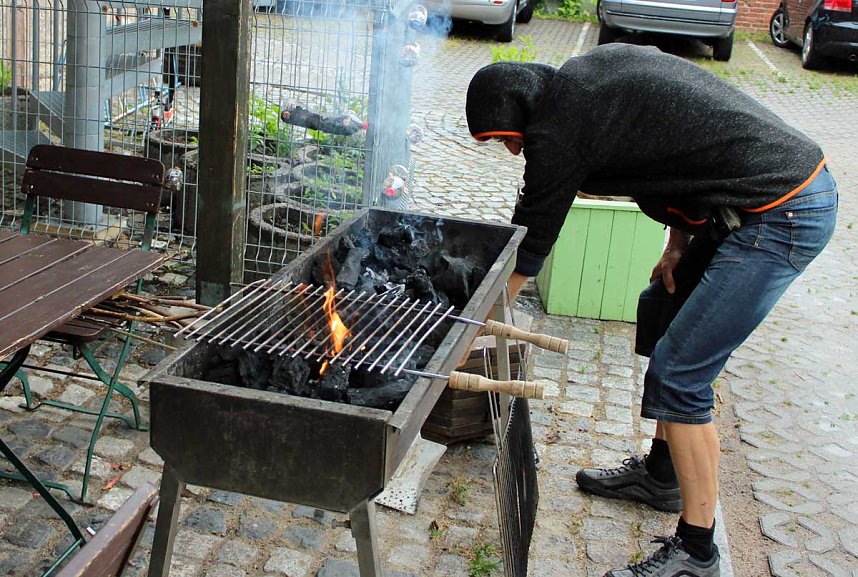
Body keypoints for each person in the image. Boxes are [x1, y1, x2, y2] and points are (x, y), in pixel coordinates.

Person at [465, 43, 838, 577]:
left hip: (781, 213)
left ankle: (697, 553)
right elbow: (678, 156)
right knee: (661, 307)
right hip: (751, 199)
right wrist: (677, 246)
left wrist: (478, 319)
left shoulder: (560, 122)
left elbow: (532, 238)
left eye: (502, 138)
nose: (508, 151)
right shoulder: (586, 88)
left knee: (681, 376)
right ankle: (661, 475)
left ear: (515, 109)